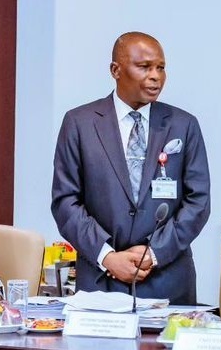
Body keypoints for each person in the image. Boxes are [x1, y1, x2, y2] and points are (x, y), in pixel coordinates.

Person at [51, 31, 211, 304]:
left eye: (160, 68)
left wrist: (154, 253)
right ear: (116, 70)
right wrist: (107, 256)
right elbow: (66, 201)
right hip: (101, 283)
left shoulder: (184, 125)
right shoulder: (79, 123)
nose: (156, 76)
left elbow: (198, 201)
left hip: (167, 281)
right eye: (145, 67)